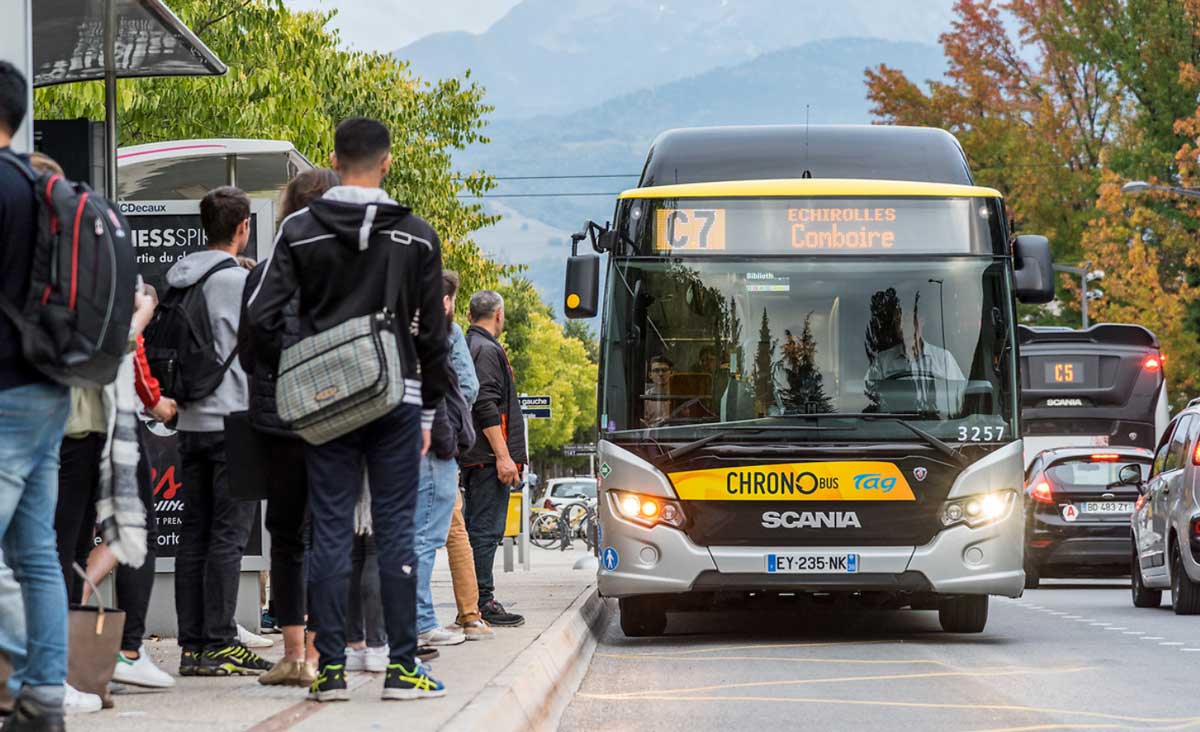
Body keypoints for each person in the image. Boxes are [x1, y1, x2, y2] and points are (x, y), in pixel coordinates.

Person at [248, 116, 450, 702]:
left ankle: (329, 671)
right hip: (397, 398)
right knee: (394, 533)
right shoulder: (415, 234)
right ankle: (402, 669)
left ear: (334, 160)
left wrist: (293, 374)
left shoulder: (297, 232)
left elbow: (261, 318)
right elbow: (434, 334)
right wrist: (430, 414)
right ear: (386, 162)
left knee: (330, 531)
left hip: (324, 401)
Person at [240, 168, 339, 687]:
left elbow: (247, 350)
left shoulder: (262, 274)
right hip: (335, 418)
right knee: (329, 532)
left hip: (279, 420)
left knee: (286, 535)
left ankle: (293, 654)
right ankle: (324, 654)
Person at [168, 186, 271, 677]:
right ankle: (221, 642)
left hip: (188, 419)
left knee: (195, 533)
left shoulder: (178, 278)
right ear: (243, 227)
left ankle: (193, 647)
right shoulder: (238, 282)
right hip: (234, 419)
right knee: (229, 537)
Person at [0, 62, 73, 731]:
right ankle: (43, 696)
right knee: (37, 555)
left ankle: (29, 677)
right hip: (49, 388)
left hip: (2, 394)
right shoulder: (41, 185)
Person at [414, 271, 477, 651]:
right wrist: (451, 431)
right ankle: (421, 620)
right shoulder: (442, 333)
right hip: (435, 444)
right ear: (447, 301)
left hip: (410, 443)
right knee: (427, 535)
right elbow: (463, 387)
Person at [460, 291, 527, 628]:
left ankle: (474, 602)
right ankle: (482, 601)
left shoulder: (470, 346)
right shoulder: (486, 350)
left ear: (471, 314)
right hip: (487, 458)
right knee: (485, 531)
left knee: (477, 531)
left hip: (477, 455)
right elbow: (485, 404)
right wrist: (504, 456)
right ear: (498, 314)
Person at [643, 355, 674, 425]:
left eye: (664, 370)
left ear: (671, 373)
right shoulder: (645, 398)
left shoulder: (678, 395)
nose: (660, 374)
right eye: (656, 370)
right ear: (650, 375)